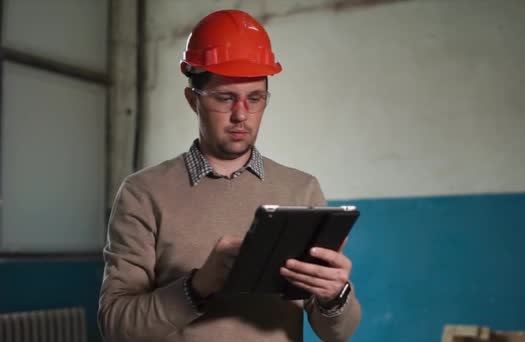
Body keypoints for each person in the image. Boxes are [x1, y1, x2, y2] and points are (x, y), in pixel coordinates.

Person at [98, 9, 361, 342]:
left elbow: (339, 333)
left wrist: (334, 296)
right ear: (193, 100)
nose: (241, 115)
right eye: (225, 98)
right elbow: (115, 326)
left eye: (255, 98)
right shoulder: (143, 193)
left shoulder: (302, 189)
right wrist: (197, 286)